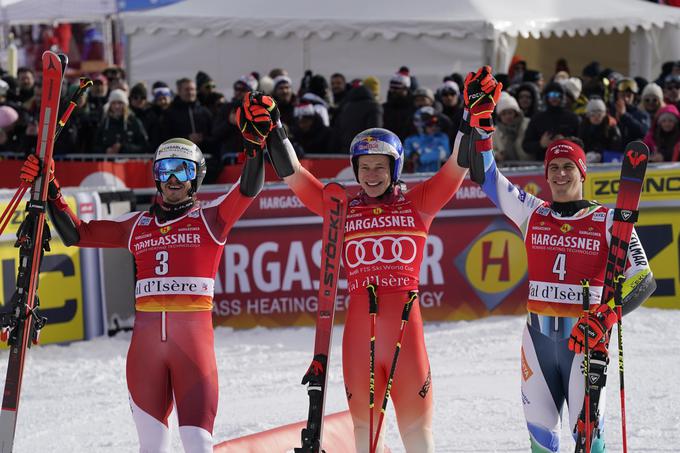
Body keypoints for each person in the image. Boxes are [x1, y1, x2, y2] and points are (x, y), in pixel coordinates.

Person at [238, 85, 474, 452]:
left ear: (395, 168)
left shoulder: (418, 204)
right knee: (365, 441)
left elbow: (457, 165)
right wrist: (275, 127)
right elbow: (295, 176)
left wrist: (471, 118)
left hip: (405, 334)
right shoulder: (341, 207)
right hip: (358, 336)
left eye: (380, 166)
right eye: (364, 167)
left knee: (419, 439)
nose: (372, 174)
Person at [19, 137, 266, 452]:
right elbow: (76, 234)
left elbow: (248, 189)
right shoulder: (137, 224)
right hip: (144, 358)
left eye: (182, 170)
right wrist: (50, 186)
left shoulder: (212, 219)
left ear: (197, 177)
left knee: (198, 443)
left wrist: (256, 147)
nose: (173, 179)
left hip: (193, 355)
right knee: (151, 447)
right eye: (165, 170)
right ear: (156, 175)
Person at [463, 67, 656, 453]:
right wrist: (480, 126)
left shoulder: (606, 219)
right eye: (554, 167)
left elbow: (644, 280)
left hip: (585, 341)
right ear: (546, 175)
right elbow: (485, 177)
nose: (561, 173)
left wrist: (606, 317)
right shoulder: (532, 212)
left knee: (588, 440)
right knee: (540, 440)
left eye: (569, 167)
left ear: (582, 173)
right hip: (536, 340)